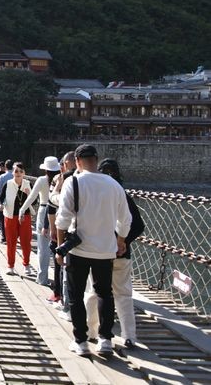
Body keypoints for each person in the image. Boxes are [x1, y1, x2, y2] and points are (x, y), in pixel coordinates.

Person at [55, 144, 131, 357]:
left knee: (76, 296)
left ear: (77, 161)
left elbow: (63, 219)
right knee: (105, 293)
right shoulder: (113, 185)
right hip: (106, 250)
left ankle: (81, 341)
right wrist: (121, 240)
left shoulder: (73, 182)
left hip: (78, 249)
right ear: (96, 160)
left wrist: (60, 249)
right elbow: (125, 219)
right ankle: (105, 339)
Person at [85, 158, 145, 350]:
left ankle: (91, 331)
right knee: (123, 295)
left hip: (99, 251)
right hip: (121, 254)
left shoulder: (95, 193)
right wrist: (123, 242)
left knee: (93, 292)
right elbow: (138, 225)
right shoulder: (122, 194)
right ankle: (129, 336)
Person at [20, 155, 60, 284]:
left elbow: (32, 197)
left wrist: (22, 210)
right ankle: (59, 281)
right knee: (58, 246)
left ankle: (42, 278)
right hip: (58, 212)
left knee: (43, 247)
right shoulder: (62, 180)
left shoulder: (42, 180)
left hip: (43, 211)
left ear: (46, 169)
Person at [47, 151, 76, 316]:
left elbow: (53, 204)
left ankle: (66, 305)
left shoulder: (65, 180)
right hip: (88, 236)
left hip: (67, 232)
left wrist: (53, 230)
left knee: (65, 270)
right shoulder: (98, 182)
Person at [0, 162, 35, 275]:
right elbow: (0, 198)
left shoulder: (28, 184)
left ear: (24, 173)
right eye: (16, 171)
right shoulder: (8, 184)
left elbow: (35, 202)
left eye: (20, 171)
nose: (18, 173)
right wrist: (1, 204)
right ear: (13, 172)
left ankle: (26, 264)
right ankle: (10, 265)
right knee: (11, 241)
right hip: (10, 216)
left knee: (26, 241)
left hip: (25, 215)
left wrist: (29, 194)